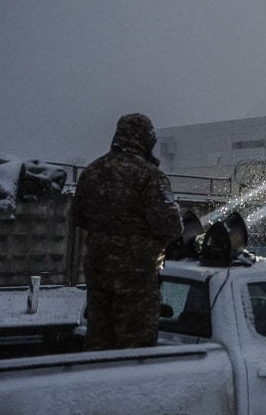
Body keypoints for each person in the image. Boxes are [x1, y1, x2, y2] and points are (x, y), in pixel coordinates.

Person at [72, 113, 183, 350]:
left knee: (99, 340)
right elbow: (170, 225)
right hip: (136, 275)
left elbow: (78, 217)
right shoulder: (149, 175)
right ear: (145, 139)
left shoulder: (92, 171)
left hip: (98, 271)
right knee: (136, 346)